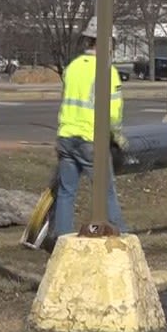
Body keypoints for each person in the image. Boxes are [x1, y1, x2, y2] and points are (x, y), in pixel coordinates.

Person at [46, 16, 128, 248]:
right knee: (106, 192)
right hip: (91, 140)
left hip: (66, 137)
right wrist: (118, 137)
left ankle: (61, 242)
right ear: (107, 43)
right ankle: (120, 239)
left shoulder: (72, 68)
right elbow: (113, 112)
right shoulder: (107, 71)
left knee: (66, 192)